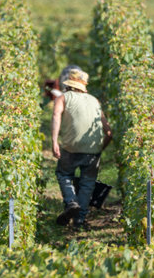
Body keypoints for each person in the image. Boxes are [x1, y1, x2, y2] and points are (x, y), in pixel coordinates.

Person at [51, 68, 112, 228]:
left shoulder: (62, 98)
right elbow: (109, 132)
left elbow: (56, 116)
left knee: (64, 174)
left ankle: (71, 203)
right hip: (93, 150)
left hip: (71, 148)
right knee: (88, 182)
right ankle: (79, 219)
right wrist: (100, 148)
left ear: (68, 84)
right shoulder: (95, 101)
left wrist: (54, 141)